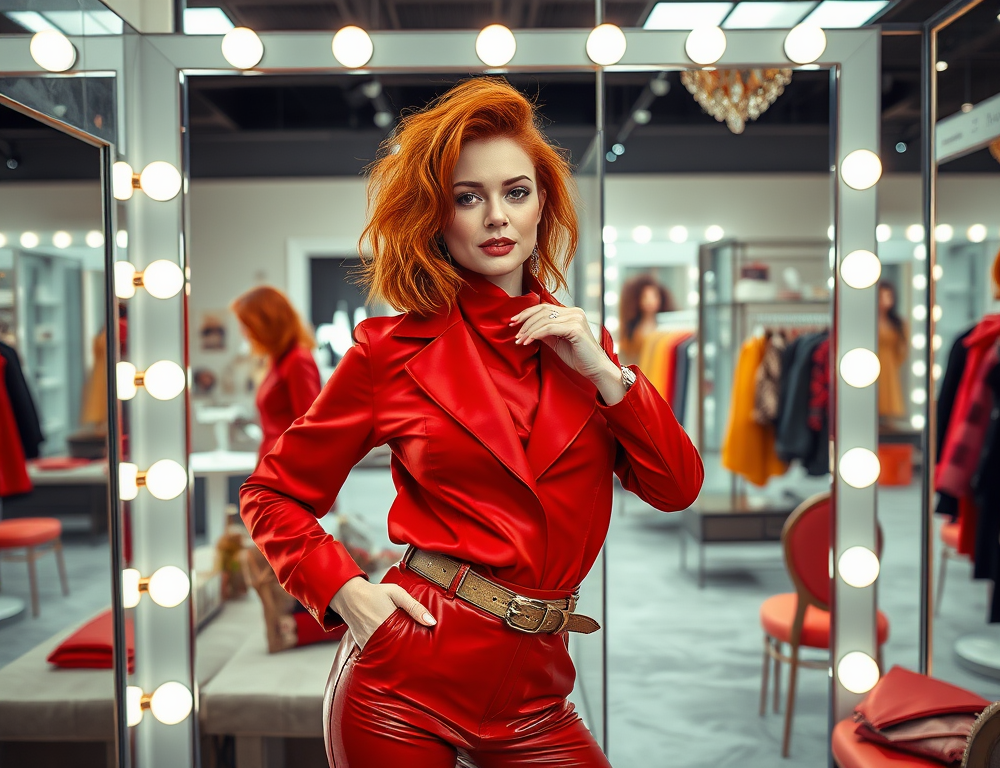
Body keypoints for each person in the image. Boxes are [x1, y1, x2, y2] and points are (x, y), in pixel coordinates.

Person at [239, 77, 704, 768]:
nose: (496, 216)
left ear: (542, 205)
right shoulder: (386, 351)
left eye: (516, 192)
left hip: (539, 694)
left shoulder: (589, 350)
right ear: (438, 215)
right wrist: (347, 592)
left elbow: (676, 488)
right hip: (406, 680)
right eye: (468, 197)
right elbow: (272, 493)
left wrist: (608, 375)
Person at [231, 286, 321, 461]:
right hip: (273, 460)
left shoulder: (297, 360)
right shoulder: (277, 360)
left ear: (266, 324)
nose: (243, 332)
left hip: (285, 465)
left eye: (247, 326)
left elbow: (310, 429)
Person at [617, 273, 675, 366]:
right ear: (638, 300)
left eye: (654, 296)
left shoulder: (666, 327)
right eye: (645, 297)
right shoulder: (633, 330)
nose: (649, 301)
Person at [877, 279, 908, 425]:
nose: (885, 301)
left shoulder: (897, 323)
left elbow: (902, 348)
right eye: (882, 296)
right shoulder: (871, 321)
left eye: (888, 296)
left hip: (890, 364)